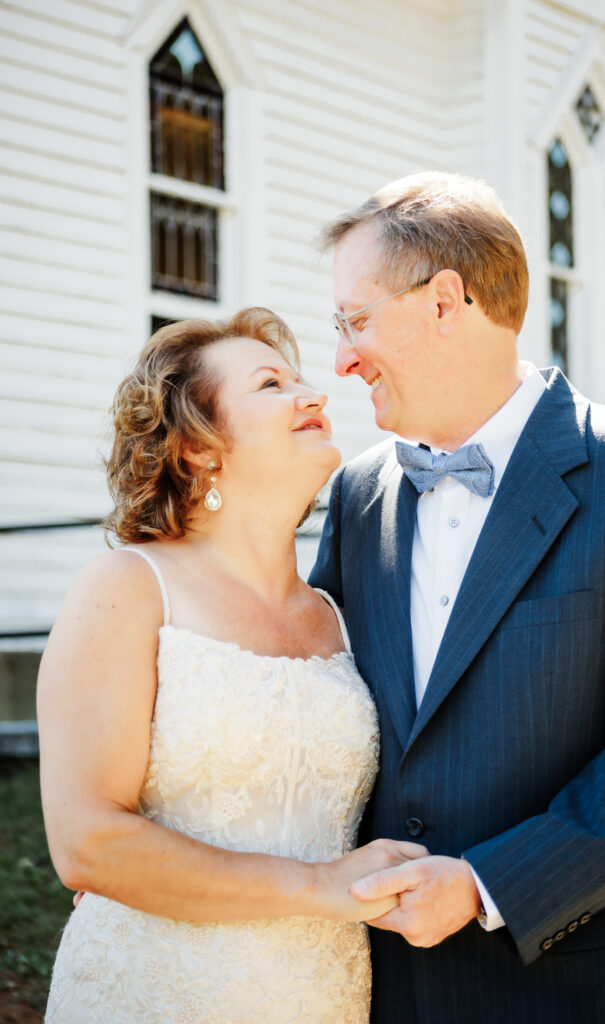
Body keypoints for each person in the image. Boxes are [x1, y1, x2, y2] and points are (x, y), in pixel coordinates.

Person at [309, 172, 605, 1023]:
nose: (340, 358)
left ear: (445, 300)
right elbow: (316, 714)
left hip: (580, 985)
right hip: (385, 988)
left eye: (354, 321)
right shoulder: (358, 496)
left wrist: (484, 884)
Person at [38, 308, 428, 1024]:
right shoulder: (129, 587)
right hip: (156, 992)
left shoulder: (340, 613)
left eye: (302, 380)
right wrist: (323, 886)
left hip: (323, 993)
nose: (312, 394)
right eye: (272, 384)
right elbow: (87, 842)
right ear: (197, 448)